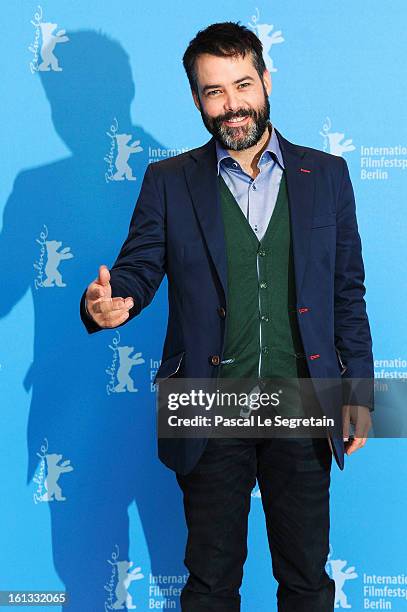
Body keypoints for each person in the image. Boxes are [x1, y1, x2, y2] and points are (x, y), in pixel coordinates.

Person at [80, 21, 374, 612]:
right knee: (211, 584)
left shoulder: (328, 175)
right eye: (214, 92)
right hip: (206, 402)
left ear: (266, 81)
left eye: (243, 85)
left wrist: (360, 392)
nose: (232, 105)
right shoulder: (168, 181)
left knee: (307, 582)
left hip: (302, 399)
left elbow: (348, 292)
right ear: (196, 99)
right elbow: (137, 268)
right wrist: (112, 304)